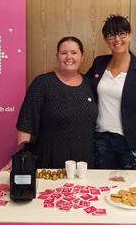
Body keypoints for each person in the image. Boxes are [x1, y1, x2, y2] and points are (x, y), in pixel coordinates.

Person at [6, 36, 97, 170]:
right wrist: (22, 157)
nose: (69, 57)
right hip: (50, 160)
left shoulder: (91, 84)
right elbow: (26, 124)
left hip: (84, 162)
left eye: (74, 52)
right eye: (63, 53)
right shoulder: (42, 83)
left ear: (82, 56)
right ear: (57, 56)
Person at [87, 15, 136, 170]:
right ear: (105, 39)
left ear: (130, 35)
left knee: (129, 190)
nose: (117, 39)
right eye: (111, 35)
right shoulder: (99, 63)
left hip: (129, 143)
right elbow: (83, 87)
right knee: (101, 187)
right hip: (100, 140)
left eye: (122, 34)